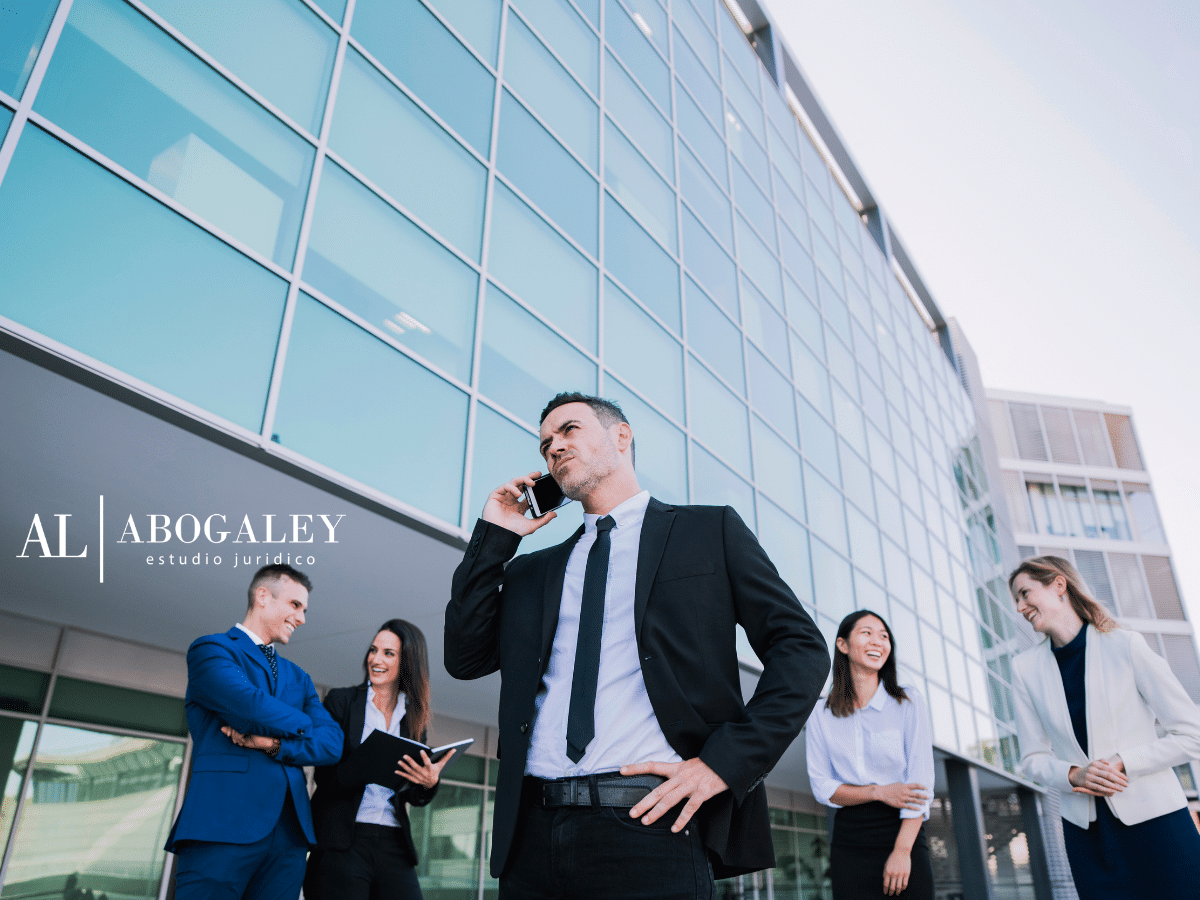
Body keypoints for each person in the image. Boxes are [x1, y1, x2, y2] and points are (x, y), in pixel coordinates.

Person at [445, 392, 830, 898]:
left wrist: (725, 763)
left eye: (569, 430)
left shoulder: (708, 531)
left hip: (650, 826)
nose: (554, 447)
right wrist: (496, 537)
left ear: (621, 436)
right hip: (533, 839)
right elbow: (465, 657)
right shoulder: (533, 571)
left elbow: (801, 648)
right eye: (544, 444)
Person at [1009, 555, 1200, 899]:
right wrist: (1073, 775)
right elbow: (1031, 759)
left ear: (1058, 585)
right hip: (1088, 838)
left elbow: (1192, 735)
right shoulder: (1024, 669)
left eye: (1025, 593)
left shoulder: (1126, 644)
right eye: (1016, 600)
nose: (1020, 607)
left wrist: (1124, 761)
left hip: (1158, 822)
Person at [164, 564, 343, 900]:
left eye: (304, 610)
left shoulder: (299, 677)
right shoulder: (212, 650)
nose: (302, 618)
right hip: (222, 824)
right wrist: (307, 724)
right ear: (263, 596)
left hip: (289, 835)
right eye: (295, 605)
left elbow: (332, 744)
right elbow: (248, 708)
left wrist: (274, 744)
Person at [305, 619, 455, 900]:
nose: (376, 659)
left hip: (393, 840)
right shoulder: (341, 702)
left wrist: (428, 781)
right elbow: (324, 777)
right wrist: (367, 763)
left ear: (407, 662)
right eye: (374, 650)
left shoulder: (413, 718)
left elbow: (412, 795)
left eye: (388, 653)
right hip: (344, 839)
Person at [805, 610, 935, 899]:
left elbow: (921, 783)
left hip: (903, 833)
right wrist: (879, 791)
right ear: (842, 644)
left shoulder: (908, 702)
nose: (878, 641)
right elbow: (822, 787)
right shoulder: (820, 714)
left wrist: (902, 851)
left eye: (884, 636)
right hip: (849, 840)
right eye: (867, 633)